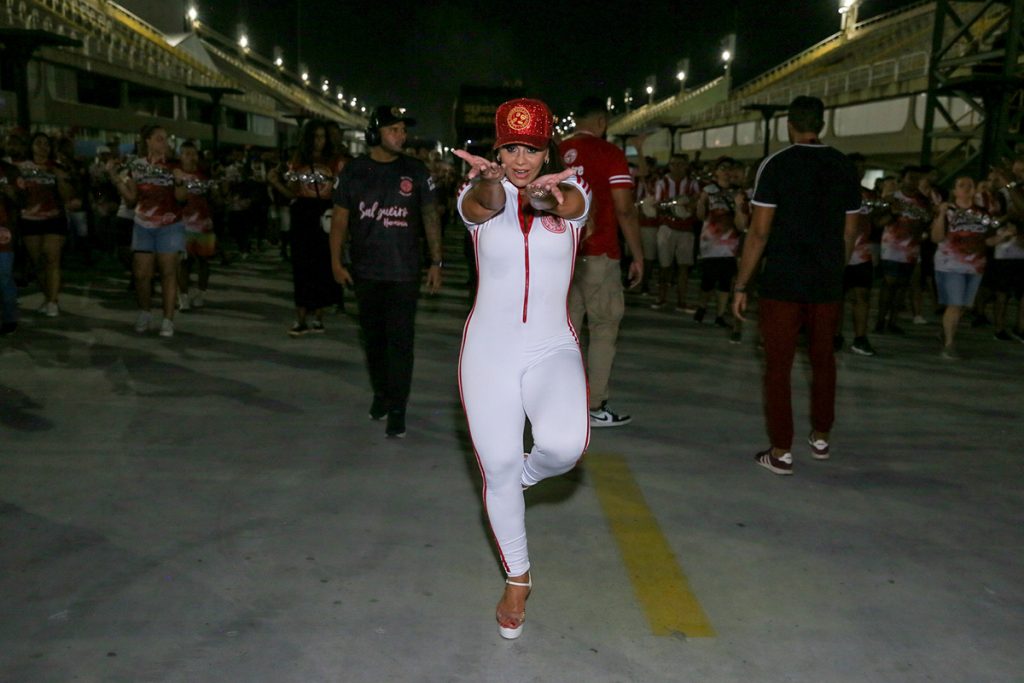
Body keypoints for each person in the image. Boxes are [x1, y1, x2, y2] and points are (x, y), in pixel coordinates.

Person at [453, 97, 591, 640]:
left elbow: (575, 205)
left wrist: (550, 198)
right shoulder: (476, 192)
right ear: (496, 149)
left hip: (550, 346)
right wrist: (492, 185)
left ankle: (520, 477)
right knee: (497, 463)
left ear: (546, 148)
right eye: (510, 148)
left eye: (530, 148)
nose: (519, 160)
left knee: (564, 447)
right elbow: (481, 206)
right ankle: (518, 577)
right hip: (488, 349)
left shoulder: (571, 189)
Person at [732, 96, 861, 476]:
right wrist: (835, 268)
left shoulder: (777, 165)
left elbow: (758, 232)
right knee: (824, 360)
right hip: (826, 281)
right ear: (823, 124)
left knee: (778, 366)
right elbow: (850, 231)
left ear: (788, 124)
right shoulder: (844, 167)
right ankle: (821, 437)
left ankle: (781, 450)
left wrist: (742, 283)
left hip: (783, 281)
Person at [329, 105, 443, 438]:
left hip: (404, 272)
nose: (401, 135)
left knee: (401, 343)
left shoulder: (416, 170)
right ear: (375, 133)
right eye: (394, 129)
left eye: (403, 130)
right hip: (366, 272)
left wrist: (436, 262)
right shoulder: (354, 171)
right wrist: (336, 262)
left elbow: (430, 216)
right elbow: (339, 219)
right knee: (374, 341)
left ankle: (398, 408)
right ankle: (382, 393)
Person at [559, 96, 643, 428]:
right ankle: (594, 406)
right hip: (600, 252)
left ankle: (558, 402)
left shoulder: (555, 152)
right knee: (603, 329)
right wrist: (638, 254)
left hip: (561, 256)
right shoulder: (610, 154)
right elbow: (624, 208)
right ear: (602, 122)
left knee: (564, 332)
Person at [112, 124, 189, 337]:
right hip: (143, 224)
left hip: (170, 225)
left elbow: (182, 198)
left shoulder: (175, 165)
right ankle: (145, 312)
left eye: (166, 139)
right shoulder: (137, 166)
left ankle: (167, 319)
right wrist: (117, 180)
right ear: (147, 141)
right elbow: (130, 201)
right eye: (159, 138)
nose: (164, 143)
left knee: (168, 272)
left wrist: (180, 180)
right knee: (142, 274)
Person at [268, 121, 342, 335]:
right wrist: (275, 184)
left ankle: (318, 316)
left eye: (323, 136)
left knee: (322, 266)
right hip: (303, 214)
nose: (320, 141)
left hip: (324, 214)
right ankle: (300, 317)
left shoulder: (333, 160)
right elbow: (292, 192)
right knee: (301, 266)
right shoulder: (299, 160)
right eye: (316, 136)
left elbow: (339, 192)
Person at [930, 176, 1002, 359]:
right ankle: (949, 345)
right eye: (962, 185)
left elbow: (989, 240)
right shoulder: (948, 211)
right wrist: (940, 215)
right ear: (954, 191)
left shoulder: (982, 214)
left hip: (975, 265)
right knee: (955, 303)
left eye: (971, 184)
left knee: (963, 306)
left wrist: (1005, 235)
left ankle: (945, 332)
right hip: (950, 264)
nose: (967, 188)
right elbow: (936, 238)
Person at [17, 132, 74, 317]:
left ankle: (53, 301)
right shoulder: (20, 167)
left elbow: (67, 196)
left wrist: (60, 177)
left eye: (46, 144)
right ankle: (48, 296)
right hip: (29, 219)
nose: (43, 147)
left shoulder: (57, 167)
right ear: (31, 146)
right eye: (38, 143)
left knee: (52, 259)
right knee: (38, 263)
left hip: (54, 218)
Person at [653, 153, 702, 312]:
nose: (678, 167)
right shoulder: (662, 183)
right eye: (674, 164)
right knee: (664, 265)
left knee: (683, 266)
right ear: (670, 165)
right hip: (667, 227)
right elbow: (657, 204)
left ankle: (681, 301)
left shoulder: (692, 183)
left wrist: (690, 206)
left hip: (686, 228)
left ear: (686, 166)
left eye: (681, 164)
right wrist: (673, 206)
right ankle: (662, 297)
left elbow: (697, 201)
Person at [177, 140, 216, 310]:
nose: (191, 157)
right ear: (181, 156)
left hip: (204, 225)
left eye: (194, 154)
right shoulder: (175, 176)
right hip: (182, 226)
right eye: (187, 154)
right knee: (183, 263)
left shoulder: (205, 175)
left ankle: (201, 294)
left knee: (204, 261)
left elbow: (215, 198)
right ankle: (183, 297)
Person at [0, 153, 19, 335]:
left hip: (3, 230)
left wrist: (11, 192)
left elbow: (22, 198)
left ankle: (9, 318)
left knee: (3, 277)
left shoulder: (9, 170)